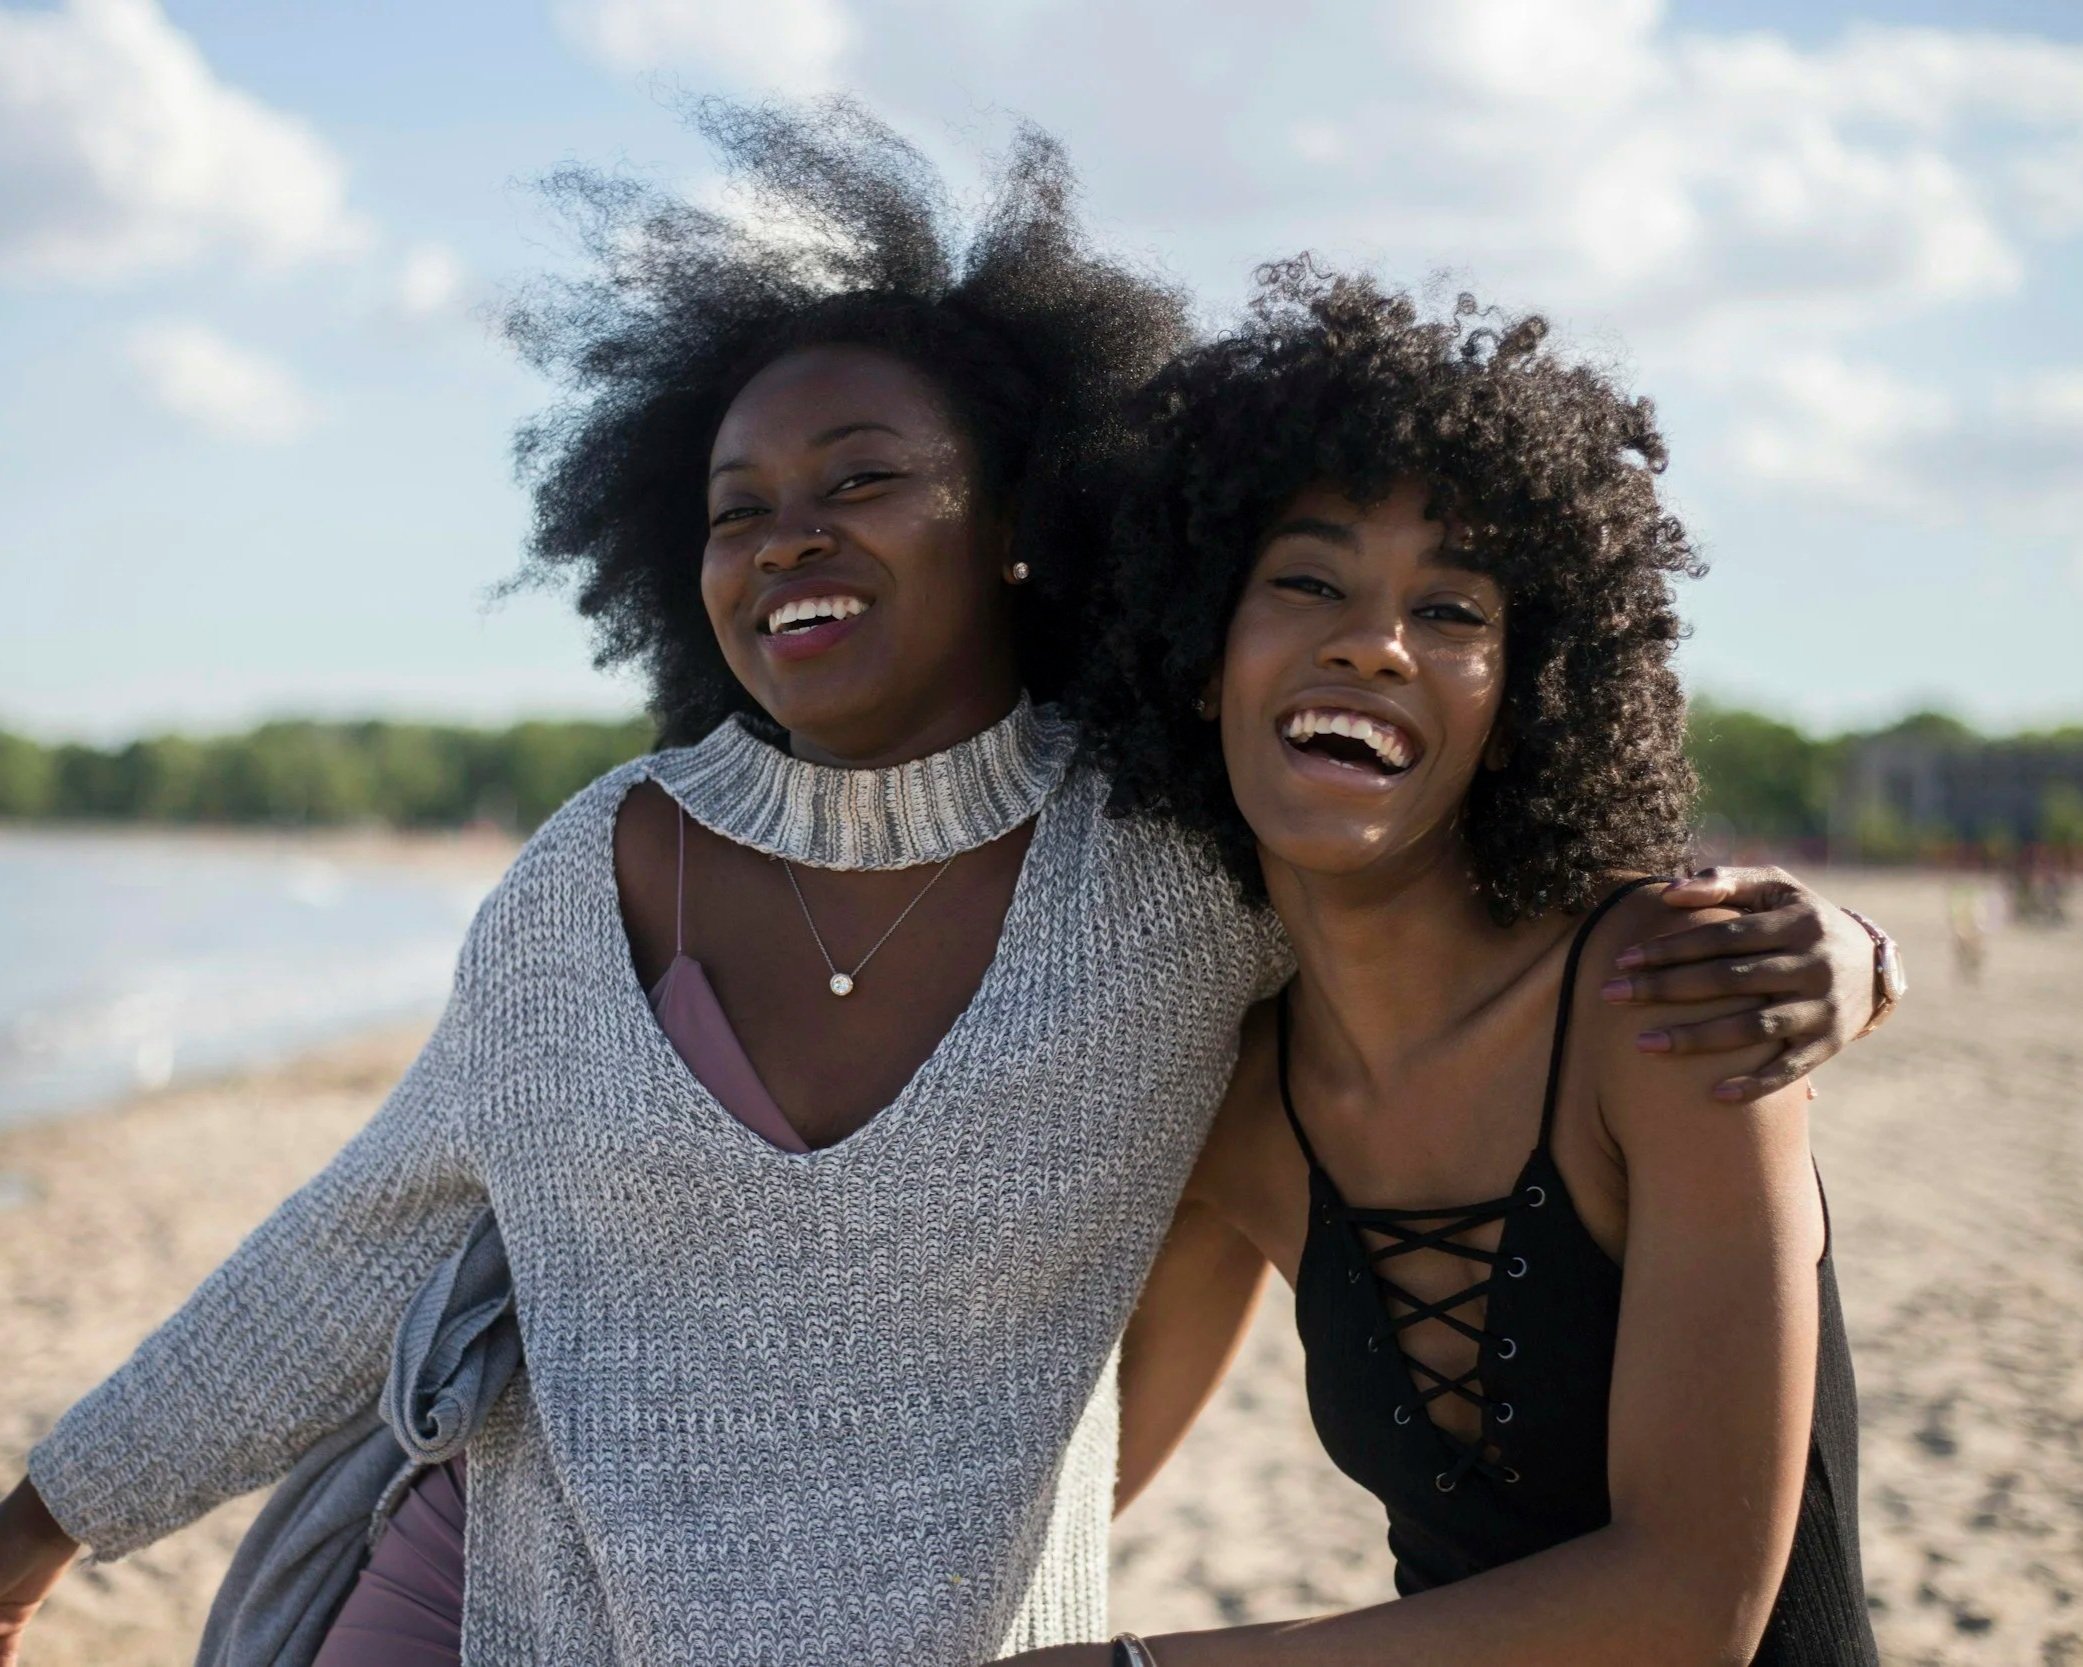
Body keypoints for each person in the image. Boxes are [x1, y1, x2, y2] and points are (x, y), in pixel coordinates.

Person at [0, 111, 1892, 1667]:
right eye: (739, 505)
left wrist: (1852, 951)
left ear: (1019, 528)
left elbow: (1458, 904)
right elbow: (363, 1242)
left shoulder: (1173, 869)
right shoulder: (588, 877)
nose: (791, 534)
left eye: (866, 478)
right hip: (487, 1618)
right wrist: (39, 1527)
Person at [1013, 266, 1881, 1666]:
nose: (1374, 640)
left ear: (1527, 695)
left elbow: (1691, 1603)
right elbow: (1055, 1490)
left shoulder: (1667, 999)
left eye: (1457, 612)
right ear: (1194, 652)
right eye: (1307, 581)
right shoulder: (1235, 1101)